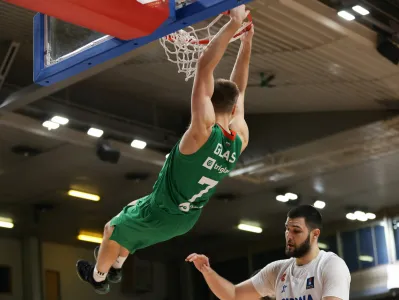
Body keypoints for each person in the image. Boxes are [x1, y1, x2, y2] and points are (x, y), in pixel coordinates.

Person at [76, 4, 254, 295]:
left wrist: (235, 24)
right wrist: (247, 42)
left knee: (111, 230)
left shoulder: (200, 133)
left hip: (164, 209)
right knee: (127, 224)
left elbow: (204, 68)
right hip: (183, 218)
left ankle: (98, 278)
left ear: (209, 101)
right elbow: (241, 89)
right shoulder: (239, 139)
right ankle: (118, 267)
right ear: (234, 109)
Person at [187, 205, 351, 300]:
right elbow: (234, 294)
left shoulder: (331, 265)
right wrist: (207, 271)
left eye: (296, 231)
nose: (289, 236)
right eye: (287, 230)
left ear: (315, 234)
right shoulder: (278, 270)